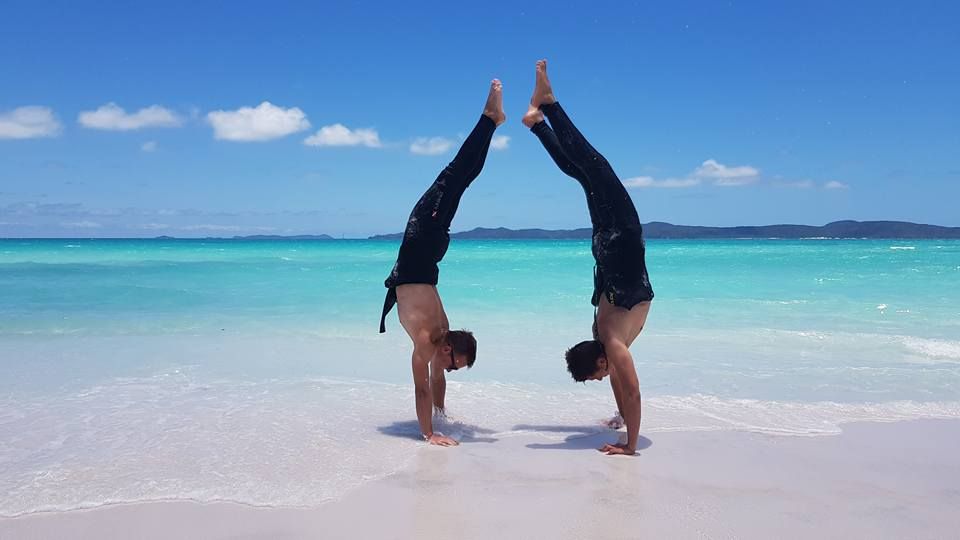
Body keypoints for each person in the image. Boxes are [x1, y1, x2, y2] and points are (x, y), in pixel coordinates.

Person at [522, 60, 653, 456]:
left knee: (596, 168)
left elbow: (630, 387)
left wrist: (630, 445)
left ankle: (549, 107)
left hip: (621, 240)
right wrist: (620, 417)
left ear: (600, 360)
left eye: (596, 376)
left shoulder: (612, 342)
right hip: (607, 247)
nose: (603, 378)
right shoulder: (606, 340)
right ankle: (536, 124)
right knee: (585, 174)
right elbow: (620, 385)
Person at [379, 79, 506, 447]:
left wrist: (440, 413)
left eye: (454, 367)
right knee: (457, 177)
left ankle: (491, 119)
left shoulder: (433, 339)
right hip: (424, 247)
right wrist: (430, 433)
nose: (449, 368)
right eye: (454, 364)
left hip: (423, 252)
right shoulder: (430, 338)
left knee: (459, 179)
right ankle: (489, 118)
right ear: (448, 349)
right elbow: (423, 387)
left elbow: (433, 381)